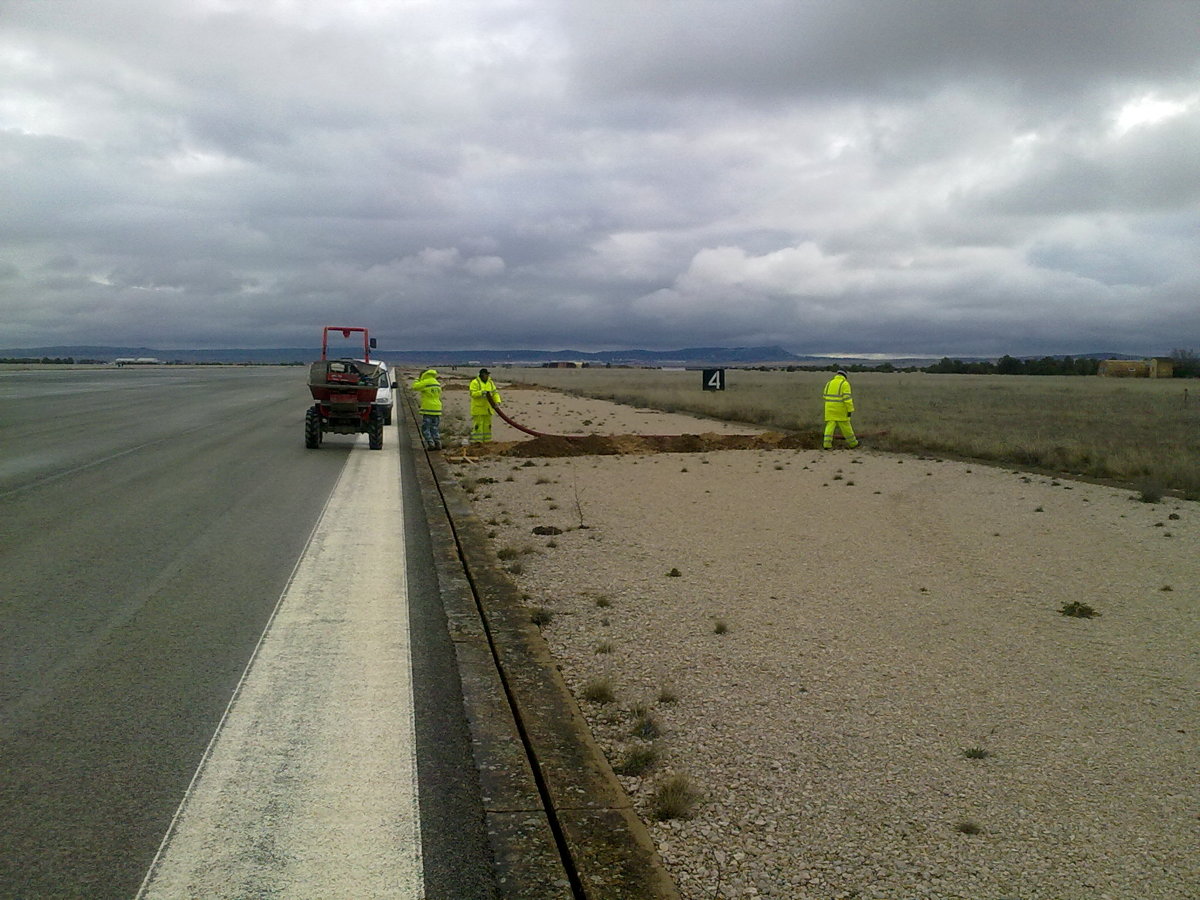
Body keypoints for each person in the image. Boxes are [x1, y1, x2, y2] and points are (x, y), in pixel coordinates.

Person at [822, 368, 859, 450]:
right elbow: (847, 399)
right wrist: (850, 409)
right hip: (841, 410)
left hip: (829, 409)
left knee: (829, 426)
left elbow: (824, 396)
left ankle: (826, 444)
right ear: (845, 375)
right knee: (846, 427)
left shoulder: (829, 383)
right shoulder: (844, 384)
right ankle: (853, 443)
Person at [410, 368, 442, 449]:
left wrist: (417, 380)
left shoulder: (426, 382)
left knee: (426, 428)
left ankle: (430, 443)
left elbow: (415, 387)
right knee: (434, 427)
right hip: (437, 408)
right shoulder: (436, 382)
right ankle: (437, 442)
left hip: (428, 408)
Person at [468, 368, 502, 443]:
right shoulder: (475, 382)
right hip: (478, 410)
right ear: (482, 375)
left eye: (488, 374)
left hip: (488, 409)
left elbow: (495, 393)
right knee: (478, 427)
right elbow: (472, 394)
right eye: (486, 374)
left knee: (487, 426)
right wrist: (481, 393)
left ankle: (487, 442)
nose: (487, 376)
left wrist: (497, 401)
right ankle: (477, 442)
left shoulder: (490, 383)